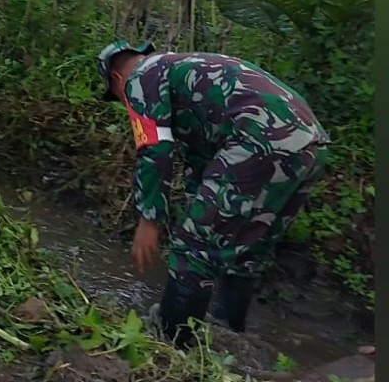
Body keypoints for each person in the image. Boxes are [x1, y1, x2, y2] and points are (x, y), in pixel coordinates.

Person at [97, 41, 329, 348]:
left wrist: (150, 219)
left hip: (259, 140)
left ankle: (172, 342)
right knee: (247, 249)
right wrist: (194, 207)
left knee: (194, 246)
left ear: (116, 80)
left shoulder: (140, 78)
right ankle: (229, 337)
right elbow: (202, 161)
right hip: (310, 146)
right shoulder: (183, 68)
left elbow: (156, 150)